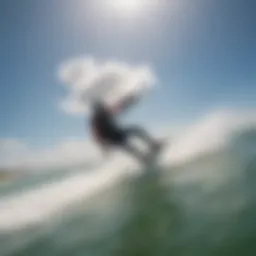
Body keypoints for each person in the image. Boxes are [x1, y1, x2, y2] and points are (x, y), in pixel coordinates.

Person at [90, 95, 160, 163]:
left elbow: (118, 107)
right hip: (111, 139)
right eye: (101, 107)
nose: (103, 108)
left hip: (118, 133)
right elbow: (97, 137)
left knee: (137, 130)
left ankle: (153, 145)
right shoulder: (96, 120)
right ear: (97, 109)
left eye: (102, 106)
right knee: (129, 146)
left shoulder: (106, 112)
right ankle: (144, 159)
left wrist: (129, 101)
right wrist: (104, 149)